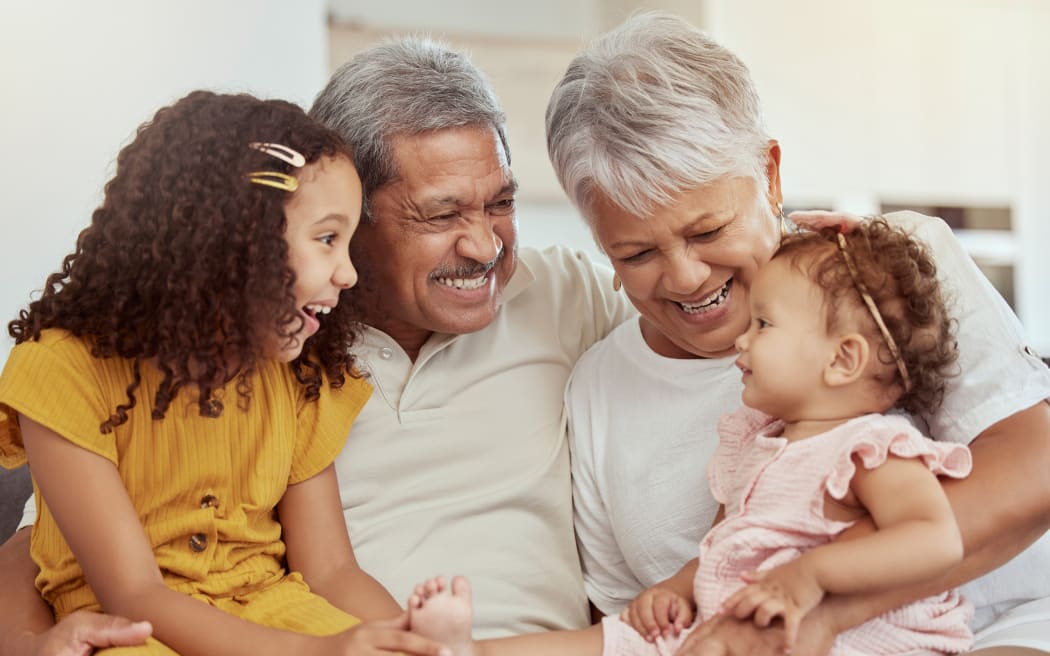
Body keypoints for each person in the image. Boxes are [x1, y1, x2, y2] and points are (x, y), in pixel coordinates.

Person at [0, 36, 636, 654]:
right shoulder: (260, 347)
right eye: (441, 215)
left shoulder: (568, 295)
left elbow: (331, 572)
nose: (483, 245)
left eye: (500, 203)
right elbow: (56, 547)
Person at [547, 12, 1050, 655]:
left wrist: (817, 609)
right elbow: (630, 623)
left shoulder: (892, 271)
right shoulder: (597, 391)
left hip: (997, 630)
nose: (686, 276)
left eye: (707, 231)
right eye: (636, 253)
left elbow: (1032, 476)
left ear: (770, 174)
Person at [0, 91, 449, 656]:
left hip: (273, 611)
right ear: (233, 239)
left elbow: (331, 570)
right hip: (132, 631)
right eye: (327, 239)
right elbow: (134, 594)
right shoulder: (60, 367)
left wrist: (407, 641)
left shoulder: (299, 376)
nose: (349, 273)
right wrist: (322, 652)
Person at [397, 219, 977, 656]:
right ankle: (468, 652)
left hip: (861, 639)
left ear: (843, 359)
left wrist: (808, 576)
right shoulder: (757, 445)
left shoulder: (872, 446)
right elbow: (721, 546)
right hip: (727, 624)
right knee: (619, 640)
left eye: (764, 325)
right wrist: (674, 589)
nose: (742, 342)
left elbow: (937, 539)